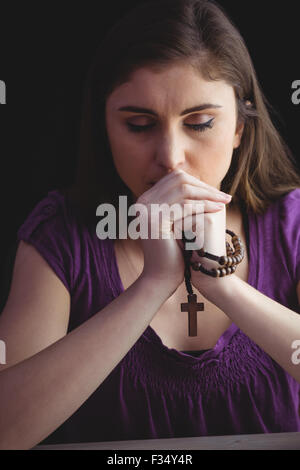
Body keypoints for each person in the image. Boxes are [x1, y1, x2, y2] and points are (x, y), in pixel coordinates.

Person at [0, 0, 300, 449]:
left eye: (199, 123)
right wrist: (153, 282)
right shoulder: (60, 236)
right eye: (139, 125)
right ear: (105, 126)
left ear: (239, 126)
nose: (171, 158)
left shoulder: (290, 223)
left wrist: (221, 283)